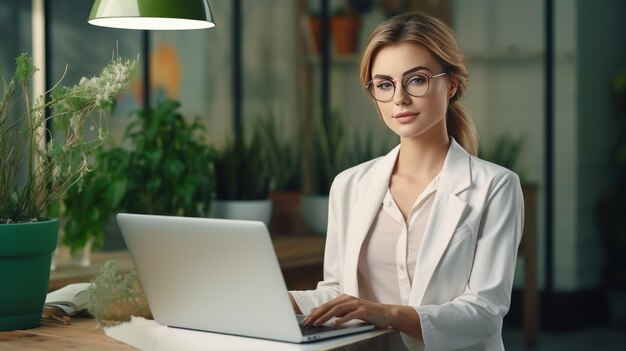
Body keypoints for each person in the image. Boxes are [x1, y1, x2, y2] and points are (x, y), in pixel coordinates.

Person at [289, 11, 524, 351]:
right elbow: (339, 293)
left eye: (416, 80)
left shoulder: (496, 187)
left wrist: (389, 313)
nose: (399, 98)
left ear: (452, 83)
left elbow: (485, 312)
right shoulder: (349, 185)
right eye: (385, 84)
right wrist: (281, 300)